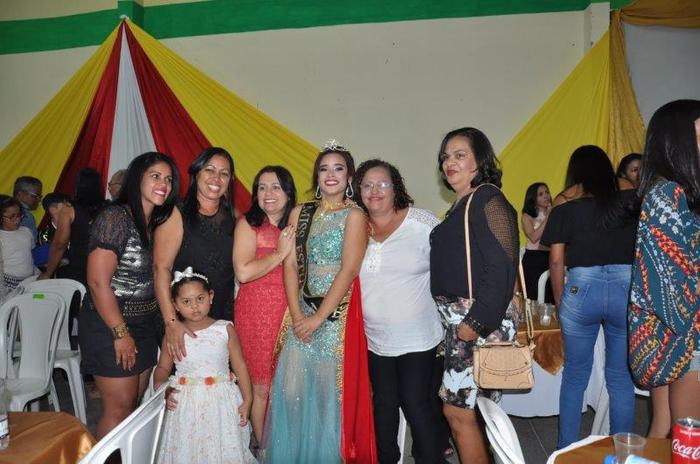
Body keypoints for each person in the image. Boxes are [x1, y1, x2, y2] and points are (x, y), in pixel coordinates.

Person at [264, 141, 376, 463]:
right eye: (324, 168)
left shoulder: (355, 216)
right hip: (300, 313)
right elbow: (290, 265)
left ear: (349, 177)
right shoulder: (300, 212)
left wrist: (318, 318)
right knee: (291, 392)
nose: (330, 174)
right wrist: (298, 314)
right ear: (316, 175)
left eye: (338, 168)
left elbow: (349, 269)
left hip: (333, 317)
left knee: (327, 396)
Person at [430, 127, 519, 464]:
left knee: (459, 413)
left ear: (480, 160)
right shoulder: (463, 204)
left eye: (459, 155)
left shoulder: (487, 199)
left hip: (476, 324)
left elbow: (502, 266)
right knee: (473, 414)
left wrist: (475, 323)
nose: (449, 163)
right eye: (445, 157)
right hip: (463, 326)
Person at [541, 145, 638, 448]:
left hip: (582, 288)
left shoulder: (565, 204)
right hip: (625, 286)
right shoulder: (632, 198)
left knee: (575, 376)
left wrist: (561, 302)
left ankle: (566, 451)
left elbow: (556, 260)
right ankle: (621, 452)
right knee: (620, 377)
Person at [78, 152, 179, 439]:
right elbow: (98, 282)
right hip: (110, 323)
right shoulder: (115, 216)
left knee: (132, 407)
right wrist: (120, 333)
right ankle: (103, 458)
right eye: (155, 176)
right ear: (137, 179)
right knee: (119, 409)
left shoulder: (153, 221)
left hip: (144, 324)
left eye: (168, 179)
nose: (164, 184)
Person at [353, 159, 445, 464]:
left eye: (382, 184)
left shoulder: (422, 222)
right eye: (367, 185)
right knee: (383, 405)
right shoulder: (355, 228)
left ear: (396, 189)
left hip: (419, 337)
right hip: (375, 339)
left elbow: (452, 264)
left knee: (416, 405)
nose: (374, 191)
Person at [628, 99, 700, 438]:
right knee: (689, 440)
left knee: (664, 432)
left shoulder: (673, 193)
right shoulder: (667, 194)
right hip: (684, 338)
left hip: (672, 335)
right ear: (678, 140)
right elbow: (669, 281)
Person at [154, 268, 256, 463]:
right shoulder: (173, 335)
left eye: (200, 299)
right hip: (185, 404)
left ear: (211, 296)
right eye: (186, 302)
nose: (194, 306)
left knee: (221, 445)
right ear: (175, 305)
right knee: (188, 446)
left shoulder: (225, 329)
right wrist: (161, 387)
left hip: (221, 402)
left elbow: (240, 366)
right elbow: (163, 368)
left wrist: (248, 400)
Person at [154, 147, 236, 364]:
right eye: (209, 170)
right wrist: (171, 322)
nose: (216, 178)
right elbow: (161, 269)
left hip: (222, 318)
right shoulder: (176, 213)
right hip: (183, 319)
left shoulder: (234, 217)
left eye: (224, 173)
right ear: (196, 173)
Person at [233, 166, 296, 443]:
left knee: (289, 388)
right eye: (262, 187)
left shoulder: (298, 224)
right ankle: (265, 450)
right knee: (260, 387)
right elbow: (243, 272)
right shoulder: (248, 224)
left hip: (292, 313)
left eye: (276, 187)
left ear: (288, 192)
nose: (268, 193)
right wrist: (280, 254)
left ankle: (288, 446)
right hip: (256, 313)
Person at [39, 168, 106, 285]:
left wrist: (48, 273)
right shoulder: (109, 208)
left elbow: (59, 245)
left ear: (78, 185)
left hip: (79, 267)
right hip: (103, 265)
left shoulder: (69, 210)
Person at [521, 182, 553, 303]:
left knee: (550, 296)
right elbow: (533, 237)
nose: (546, 196)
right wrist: (547, 217)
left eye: (547, 192)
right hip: (533, 259)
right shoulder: (527, 216)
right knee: (534, 296)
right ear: (533, 198)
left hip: (551, 257)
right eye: (541, 194)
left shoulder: (555, 213)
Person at [0, 195, 36, 289]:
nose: (17, 219)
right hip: (7, 284)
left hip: (29, 280)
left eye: (19, 215)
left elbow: (29, 255)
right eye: (12, 216)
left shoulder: (26, 231)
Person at [13, 176, 42, 242]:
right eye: (35, 196)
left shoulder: (4, 208)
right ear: (20, 194)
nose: (39, 200)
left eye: (40, 196)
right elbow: (31, 243)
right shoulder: (26, 215)